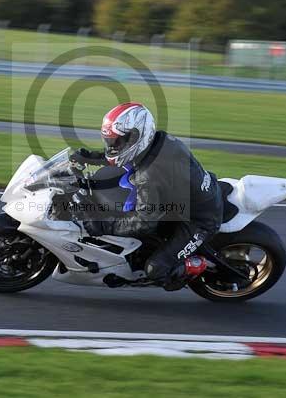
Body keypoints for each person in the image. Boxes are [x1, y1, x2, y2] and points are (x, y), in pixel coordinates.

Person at [71, 102, 227, 290]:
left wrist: (101, 225)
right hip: (185, 200)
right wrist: (92, 157)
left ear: (138, 136)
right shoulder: (158, 141)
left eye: (118, 141)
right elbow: (125, 155)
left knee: (156, 268)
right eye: (111, 141)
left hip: (199, 220)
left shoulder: (150, 176)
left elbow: (144, 223)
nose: (113, 147)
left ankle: (195, 265)